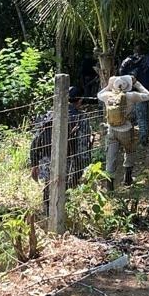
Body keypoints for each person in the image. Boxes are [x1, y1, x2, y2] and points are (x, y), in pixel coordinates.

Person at [29, 86, 92, 214]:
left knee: (49, 186)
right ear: (80, 100)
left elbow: (36, 140)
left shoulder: (50, 115)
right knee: (64, 191)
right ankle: (60, 216)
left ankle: (48, 213)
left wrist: (34, 163)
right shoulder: (81, 118)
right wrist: (82, 168)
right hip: (69, 161)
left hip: (46, 160)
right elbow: (82, 146)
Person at [98, 75, 149, 190]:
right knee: (129, 151)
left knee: (110, 156)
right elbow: (148, 95)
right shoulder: (131, 96)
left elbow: (98, 94)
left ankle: (110, 187)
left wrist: (109, 85)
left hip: (111, 129)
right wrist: (137, 83)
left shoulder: (107, 95)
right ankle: (127, 179)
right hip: (126, 130)